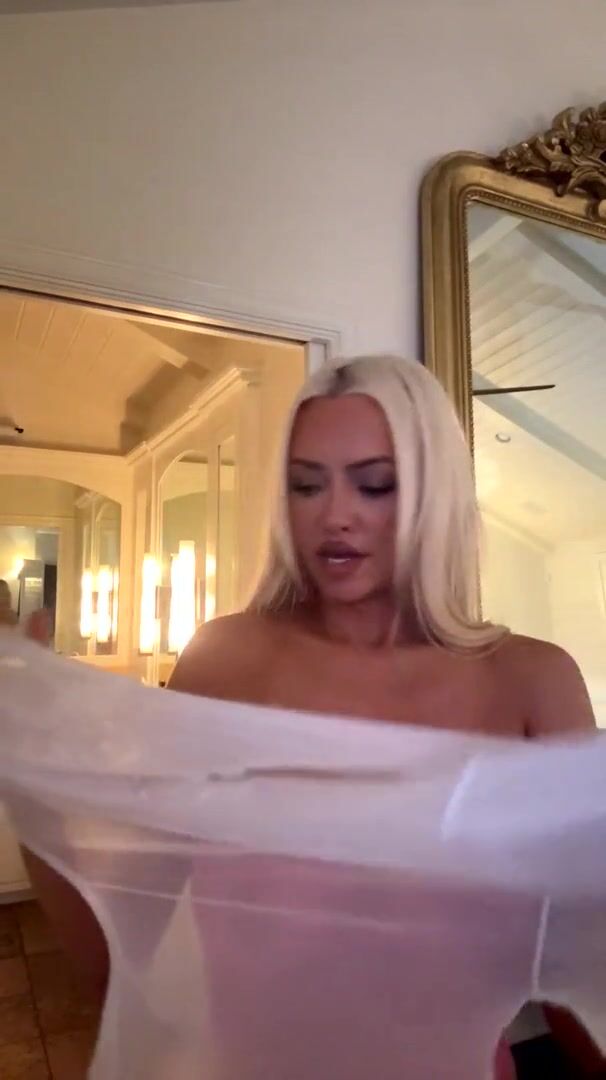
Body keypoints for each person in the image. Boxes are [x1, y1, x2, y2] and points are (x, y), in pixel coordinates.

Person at [23, 355, 601, 1078]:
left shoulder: (530, 684)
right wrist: (33, 770)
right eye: (305, 485)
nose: (334, 516)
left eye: (375, 484)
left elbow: (584, 971)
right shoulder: (223, 663)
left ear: (437, 491)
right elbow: (119, 952)